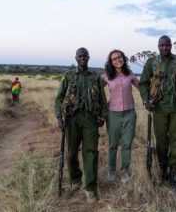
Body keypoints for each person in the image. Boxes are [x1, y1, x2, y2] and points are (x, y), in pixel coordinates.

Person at [139, 35, 176, 190]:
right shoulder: (152, 62)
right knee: (162, 142)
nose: (165, 47)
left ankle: (174, 173)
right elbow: (143, 83)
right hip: (159, 109)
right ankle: (162, 171)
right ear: (158, 46)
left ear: (171, 46)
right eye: (162, 45)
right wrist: (146, 100)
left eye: (167, 45)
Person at [54, 47, 107, 204]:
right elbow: (58, 99)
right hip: (72, 119)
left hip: (90, 120)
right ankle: (75, 179)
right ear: (76, 58)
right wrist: (59, 119)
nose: (83, 58)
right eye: (80, 56)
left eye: (85, 56)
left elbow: (103, 101)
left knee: (90, 153)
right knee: (71, 154)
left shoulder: (96, 77)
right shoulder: (69, 76)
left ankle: (90, 188)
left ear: (89, 57)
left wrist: (102, 116)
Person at [102, 50, 139, 183]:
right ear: (111, 62)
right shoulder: (107, 76)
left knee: (127, 144)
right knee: (113, 144)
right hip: (113, 114)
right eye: (114, 59)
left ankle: (124, 170)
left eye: (120, 57)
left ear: (123, 58)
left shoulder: (130, 74)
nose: (118, 60)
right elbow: (97, 91)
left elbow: (141, 87)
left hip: (129, 114)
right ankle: (111, 169)